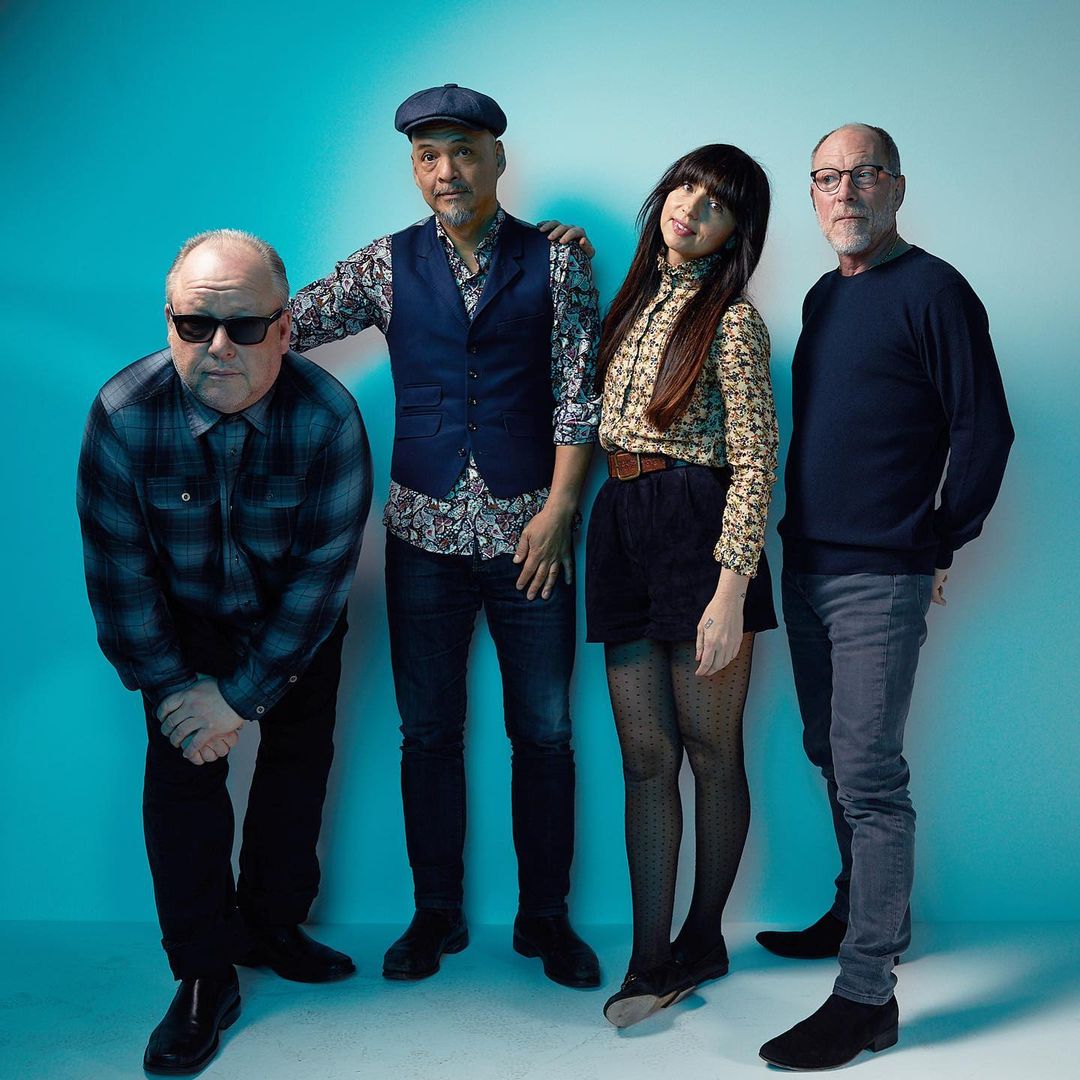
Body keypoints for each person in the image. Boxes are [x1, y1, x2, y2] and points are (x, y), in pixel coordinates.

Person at [290, 83, 602, 988]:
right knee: (427, 733)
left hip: (530, 537)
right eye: (428, 156)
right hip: (421, 535)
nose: (446, 171)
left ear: (498, 158)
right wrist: (211, 318)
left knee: (544, 733)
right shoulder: (385, 265)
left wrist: (560, 513)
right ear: (414, 168)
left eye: (463, 151)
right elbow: (288, 326)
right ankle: (435, 916)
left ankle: (546, 919)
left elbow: (579, 395)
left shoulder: (558, 260)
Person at [76, 229, 373, 1075]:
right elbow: (120, 575)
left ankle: (273, 925)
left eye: (245, 327)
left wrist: (241, 696)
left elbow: (324, 574)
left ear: (284, 329)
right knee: (183, 783)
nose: (219, 348)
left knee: (298, 766)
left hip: (293, 623)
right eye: (195, 325)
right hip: (179, 629)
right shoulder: (122, 414)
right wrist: (179, 692)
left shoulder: (329, 418)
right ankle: (205, 974)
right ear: (168, 321)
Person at [757, 124, 1014, 1070]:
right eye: (827, 178)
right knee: (829, 752)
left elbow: (985, 428)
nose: (845, 192)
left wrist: (939, 538)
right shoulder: (824, 296)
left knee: (870, 778)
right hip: (806, 565)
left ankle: (867, 995)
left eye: (863, 174)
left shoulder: (936, 290)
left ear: (896, 187)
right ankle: (853, 908)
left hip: (880, 575)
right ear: (812, 194)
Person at [581, 144, 779, 1027]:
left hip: (701, 530)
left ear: (738, 230)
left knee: (710, 750)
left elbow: (756, 460)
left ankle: (700, 939)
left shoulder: (732, 321)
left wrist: (731, 591)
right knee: (644, 758)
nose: (691, 209)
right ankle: (647, 956)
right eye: (684, 189)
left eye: (716, 204)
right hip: (622, 526)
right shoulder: (627, 303)